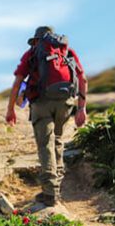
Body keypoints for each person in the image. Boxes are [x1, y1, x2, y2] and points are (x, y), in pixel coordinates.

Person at [5, 26, 88, 207]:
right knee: (57, 140)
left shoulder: (33, 53)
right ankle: (56, 187)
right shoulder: (67, 51)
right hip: (65, 102)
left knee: (45, 145)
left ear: (36, 40)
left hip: (41, 103)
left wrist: (10, 109)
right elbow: (82, 79)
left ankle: (50, 193)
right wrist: (82, 108)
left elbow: (17, 82)